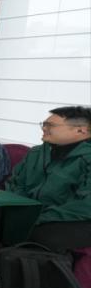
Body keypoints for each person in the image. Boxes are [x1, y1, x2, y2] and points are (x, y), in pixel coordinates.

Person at [8, 106, 91, 251]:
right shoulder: (37, 152)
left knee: (38, 237)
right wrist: (23, 210)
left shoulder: (87, 158)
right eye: (43, 124)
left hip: (75, 219)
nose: (44, 128)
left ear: (81, 130)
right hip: (34, 213)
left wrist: (40, 217)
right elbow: (16, 183)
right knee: (2, 225)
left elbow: (85, 205)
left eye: (50, 125)